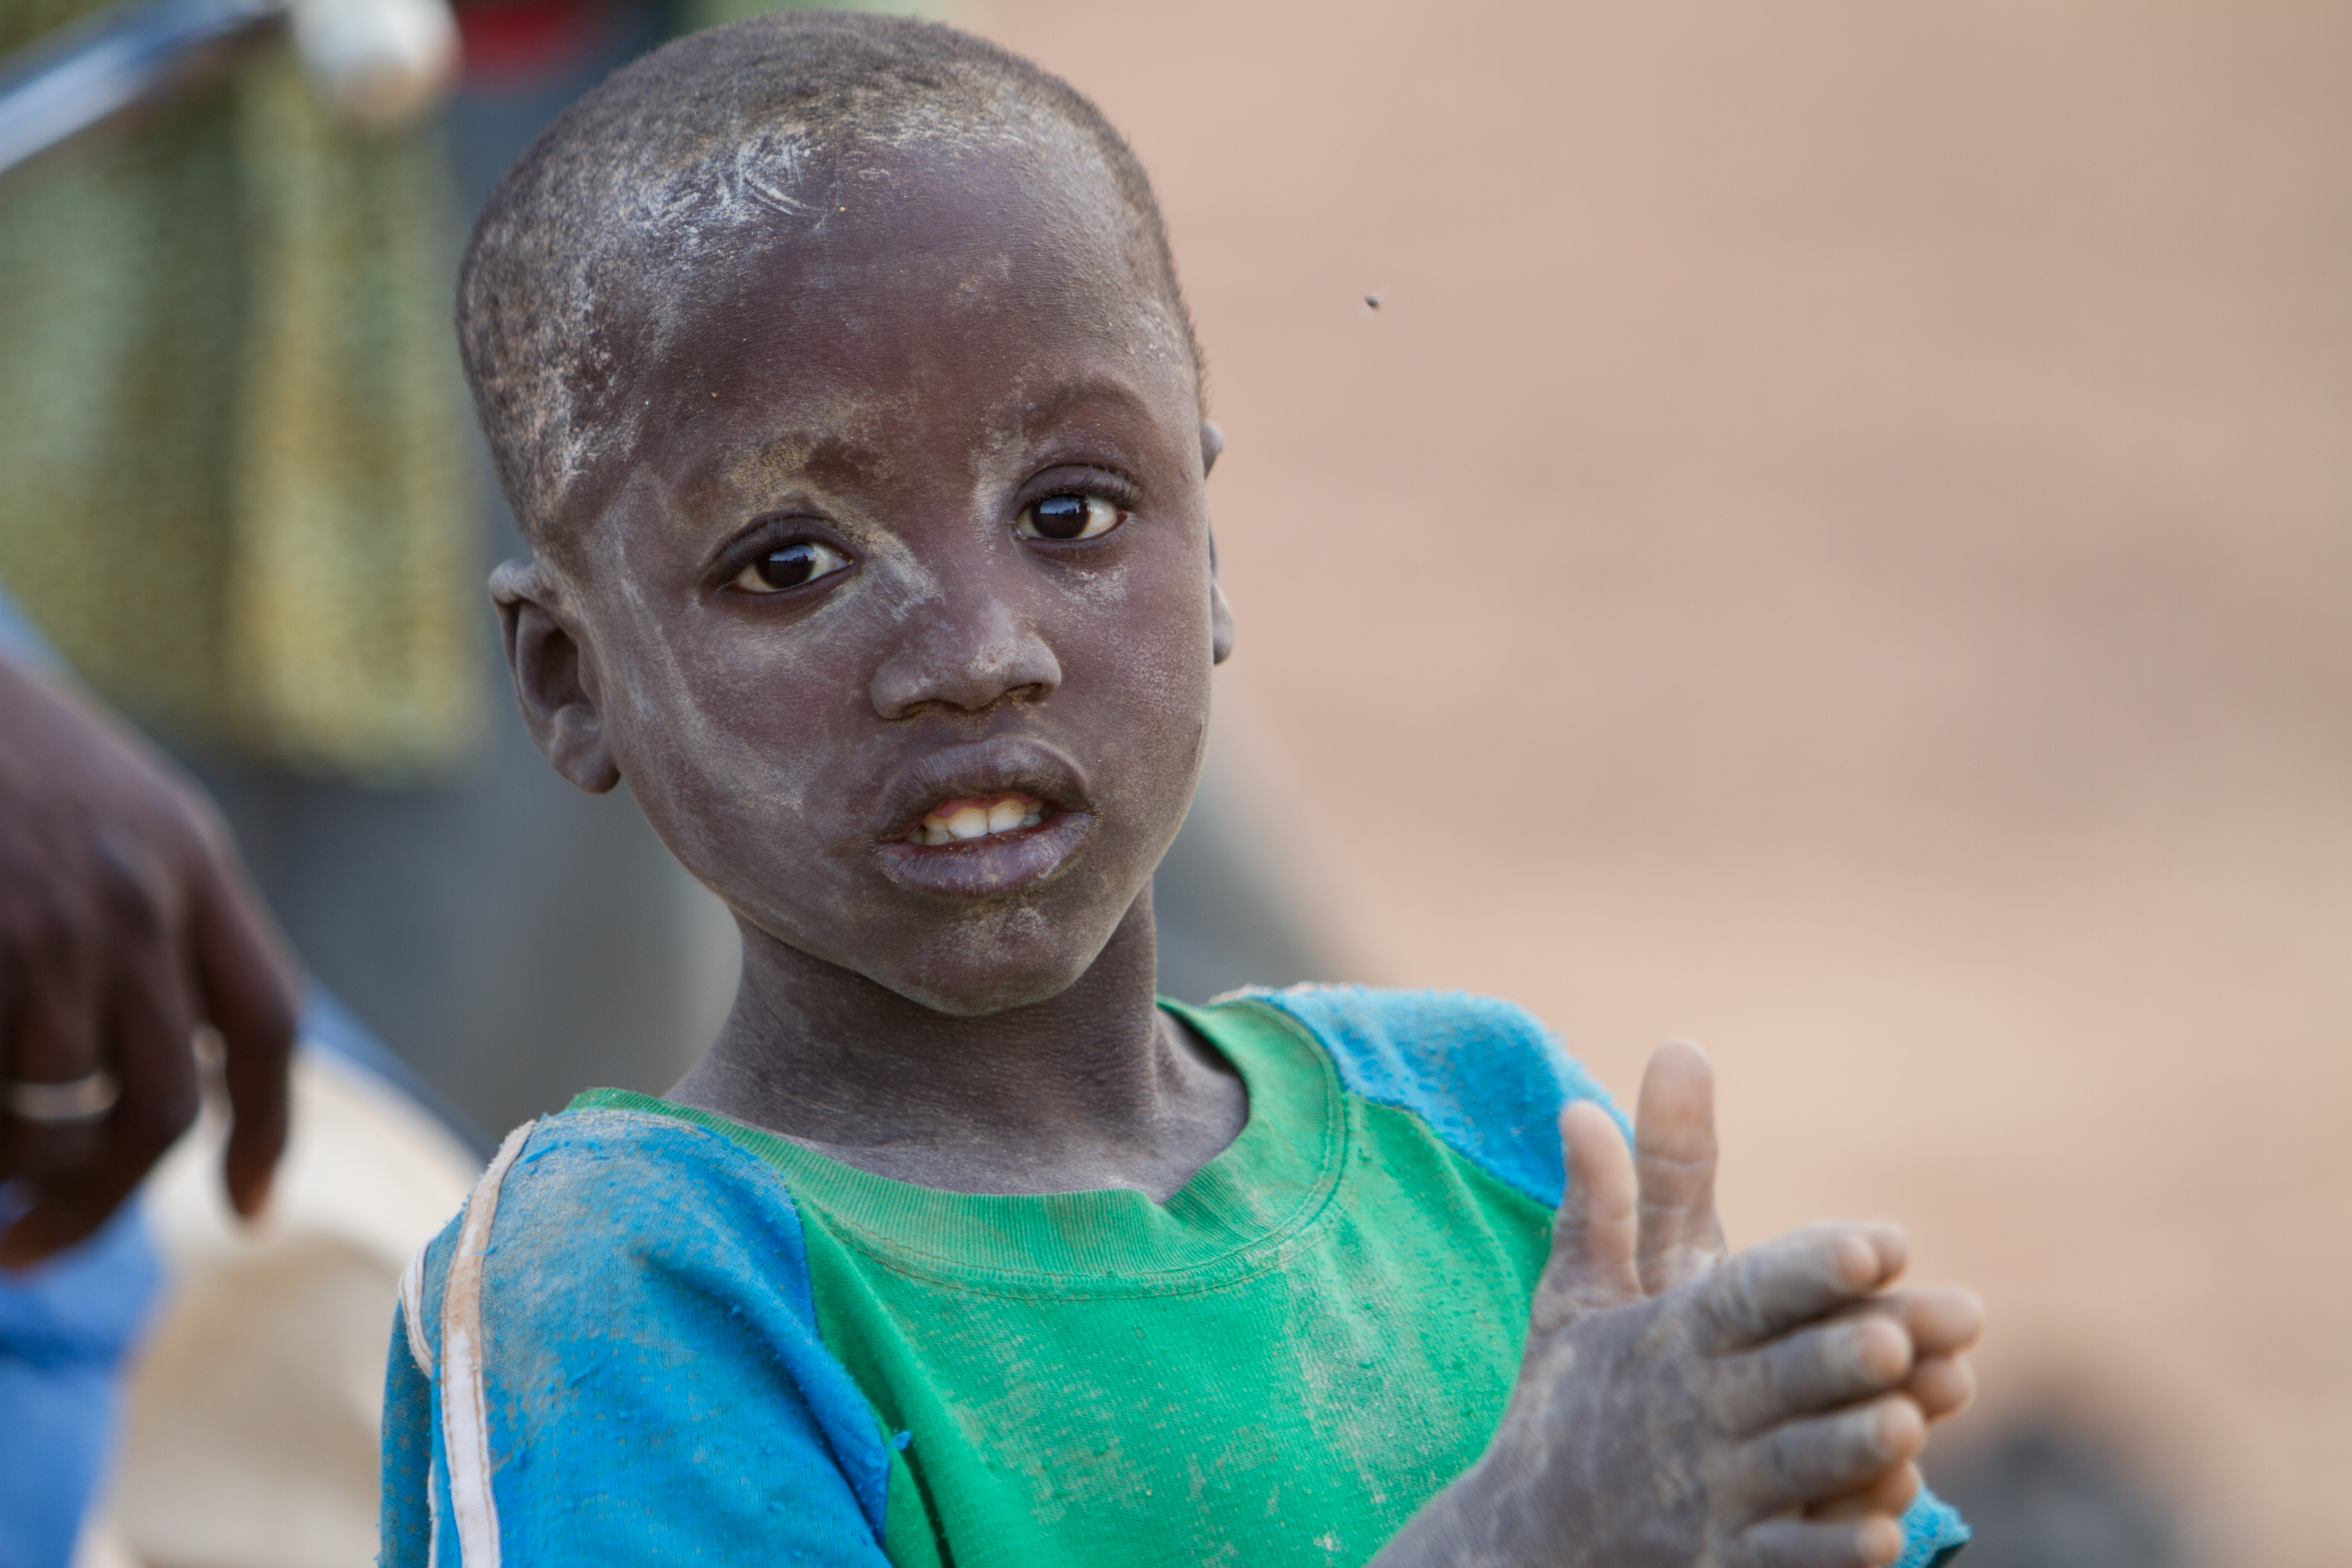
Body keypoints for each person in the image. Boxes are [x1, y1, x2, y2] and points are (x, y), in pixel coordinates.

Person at [382, 14, 1984, 1567]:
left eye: (1072, 512)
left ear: (1209, 556)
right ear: (570, 682)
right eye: (790, 564)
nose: (979, 651)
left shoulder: (1492, 1130)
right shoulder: (633, 1281)